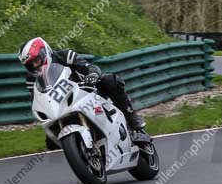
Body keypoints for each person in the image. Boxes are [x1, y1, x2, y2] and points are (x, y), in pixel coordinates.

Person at [18, 37, 146, 132]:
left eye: (36, 60)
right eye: (30, 64)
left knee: (109, 80)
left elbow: (89, 66)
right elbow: (39, 100)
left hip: (89, 92)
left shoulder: (65, 56)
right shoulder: (31, 79)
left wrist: (93, 75)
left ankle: (130, 115)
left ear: (44, 52)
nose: (35, 66)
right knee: (51, 141)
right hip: (63, 108)